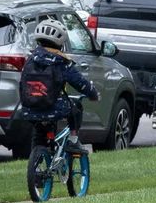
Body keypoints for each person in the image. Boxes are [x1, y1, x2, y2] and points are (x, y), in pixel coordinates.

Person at [17, 18, 97, 154]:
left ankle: (36, 164)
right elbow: (80, 82)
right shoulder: (61, 61)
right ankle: (73, 141)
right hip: (54, 107)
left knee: (39, 134)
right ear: (60, 42)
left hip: (29, 108)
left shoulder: (30, 58)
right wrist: (93, 94)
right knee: (76, 106)